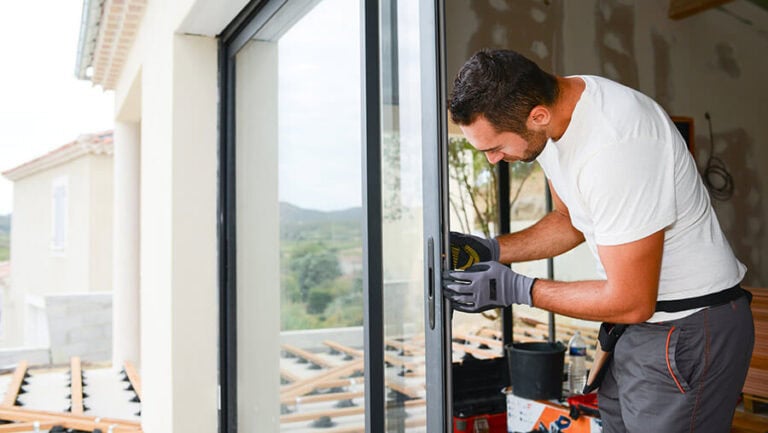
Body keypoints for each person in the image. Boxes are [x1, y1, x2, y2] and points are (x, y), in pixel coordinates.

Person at [444, 49, 753, 433]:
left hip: (684, 329)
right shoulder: (555, 116)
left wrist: (517, 289)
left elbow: (631, 300)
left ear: (536, 115)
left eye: (494, 147)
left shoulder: (617, 144)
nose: (492, 159)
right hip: (636, 329)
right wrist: (492, 249)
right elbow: (569, 219)